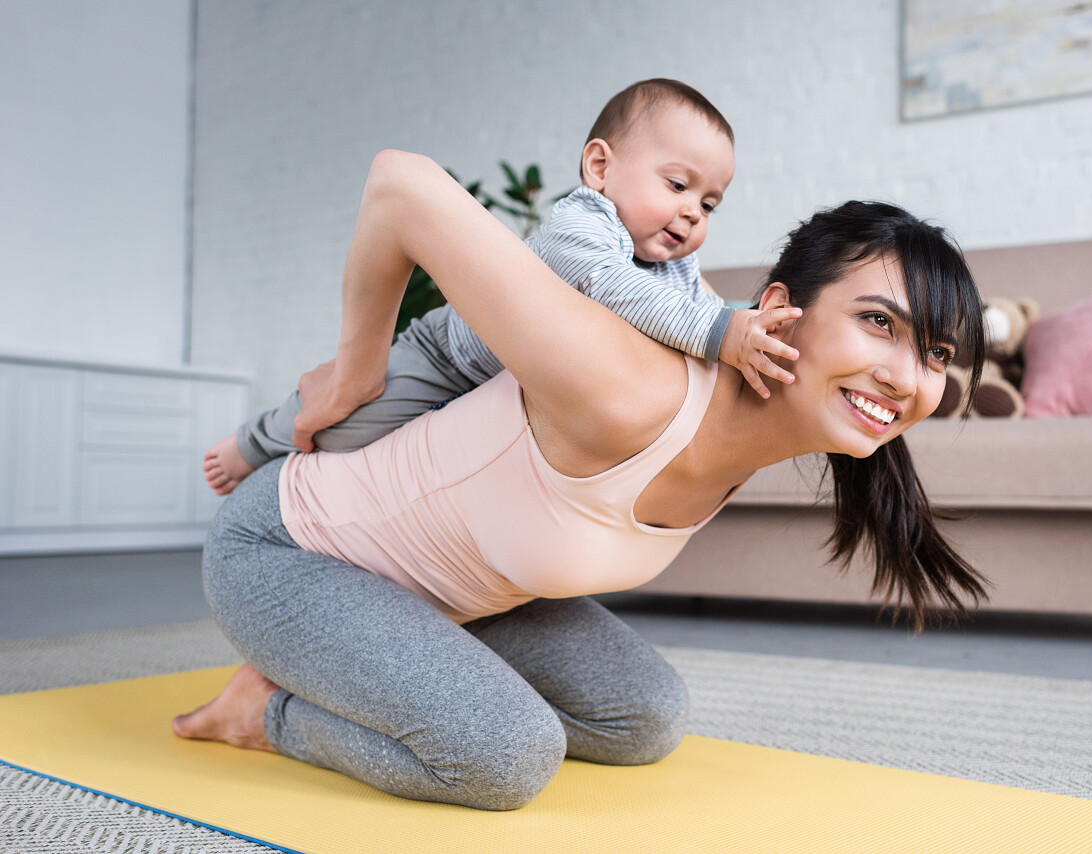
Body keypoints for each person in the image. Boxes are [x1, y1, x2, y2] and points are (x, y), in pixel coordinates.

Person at [173, 148, 989, 811]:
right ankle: (264, 712)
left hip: (451, 588)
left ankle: (385, 662)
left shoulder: (768, 430)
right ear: (779, 309)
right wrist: (356, 374)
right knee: (504, 757)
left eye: (935, 355)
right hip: (289, 553)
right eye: (879, 322)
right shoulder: (628, 386)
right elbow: (400, 186)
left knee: (645, 718)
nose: (904, 376)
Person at [202, 78, 799, 496]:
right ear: (600, 168)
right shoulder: (581, 226)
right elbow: (620, 293)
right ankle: (255, 443)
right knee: (348, 423)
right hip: (450, 359)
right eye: (677, 184)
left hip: (510, 398)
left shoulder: (674, 265)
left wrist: (753, 322)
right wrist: (723, 330)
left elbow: (699, 309)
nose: (693, 212)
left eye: (710, 203)